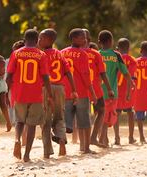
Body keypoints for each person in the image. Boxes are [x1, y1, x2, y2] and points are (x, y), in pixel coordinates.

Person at [6, 29, 53, 162]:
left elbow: (9, 75)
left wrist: (5, 93)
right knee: (32, 124)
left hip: (19, 93)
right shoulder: (41, 54)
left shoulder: (16, 53)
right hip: (35, 94)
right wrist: (49, 95)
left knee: (20, 121)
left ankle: (16, 139)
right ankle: (26, 155)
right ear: (37, 39)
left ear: (24, 39)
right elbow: (45, 77)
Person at [38, 28, 78, 158]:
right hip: (60, 88)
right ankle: (61, 143)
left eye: (41, 38)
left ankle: (47, 152)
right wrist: (73, 90)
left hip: (46, 88)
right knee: (59, 117)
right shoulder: (60, 54)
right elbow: (68, 72)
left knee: (45, 119)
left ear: (49, 40)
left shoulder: (40, 54)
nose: (39, 40)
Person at [61, 28, 97, 153]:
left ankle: (63, 148)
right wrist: (92, 92)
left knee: (64, 122)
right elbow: (85, 74)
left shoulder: (62, 52)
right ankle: (85, 147)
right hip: (80, 92)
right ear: (74, 39)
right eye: (82, 37)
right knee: (84, 122)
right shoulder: (82, 54)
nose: (85, 39)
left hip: (65, 92)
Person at [97, 30, 133, 147]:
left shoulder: (97, 54)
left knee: (101, 115)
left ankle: (103, 139)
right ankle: (103, 140)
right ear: (111, 41)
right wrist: (131, 84)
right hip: (112, 92)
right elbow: (126, 73)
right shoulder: (116, 55)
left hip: (98, 92)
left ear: (99, 42)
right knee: (109, 117)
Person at [82, 29, 112, 148]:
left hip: (80, 88)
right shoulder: (95, 54)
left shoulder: (74, 53)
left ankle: (82, 143)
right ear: (89, 40)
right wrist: (109, 89)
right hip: (94, 87)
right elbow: (103, 73)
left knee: (83, 114)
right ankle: (93, 138)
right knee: (101, 111)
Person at [115, 38, 138, 144]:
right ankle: (130, 137)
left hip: (116, 90)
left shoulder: (114, 58)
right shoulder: (132, 60)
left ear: (117, 48)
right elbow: (130, 78)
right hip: (127, 90)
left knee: (117, 113)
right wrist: (128, 93)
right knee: (130, 112)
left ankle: (117, 138)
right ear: (129, 48)